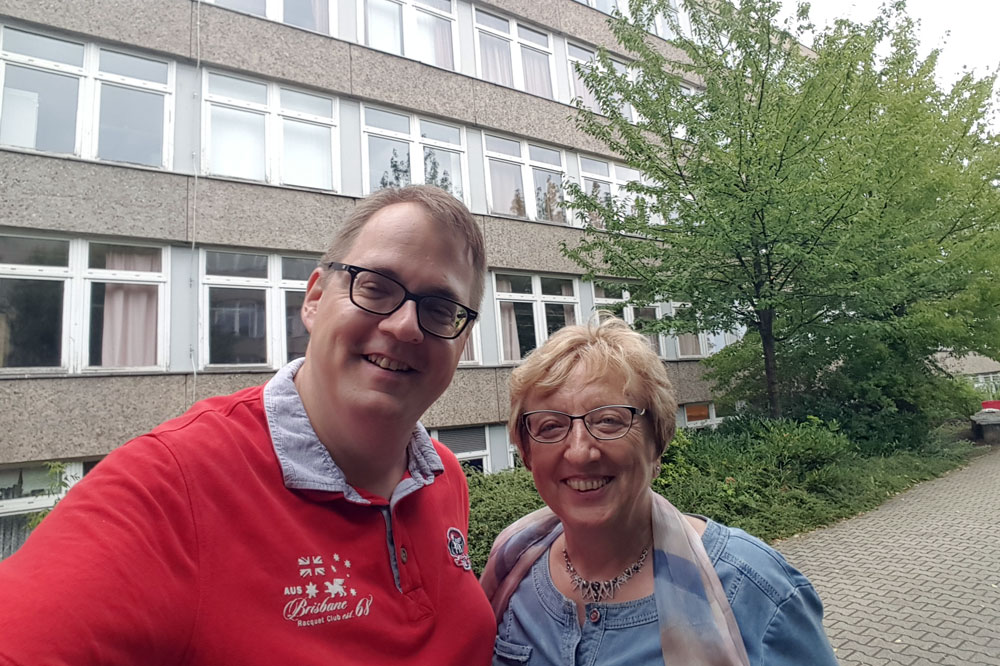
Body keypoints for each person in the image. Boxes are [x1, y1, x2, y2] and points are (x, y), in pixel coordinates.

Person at [0, 185, 496, 665]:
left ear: (463, 340)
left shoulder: (444, 477)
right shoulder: (170, 486)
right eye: (376, 287)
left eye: (440, 308)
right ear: (316, 299)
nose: (405, 324)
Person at [480, 317, 838, 666]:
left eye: (608, 420)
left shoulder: (754, 589)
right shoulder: (511, 569)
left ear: (657, 441)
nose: (579, 451)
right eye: (550, 426)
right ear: (526, 453)